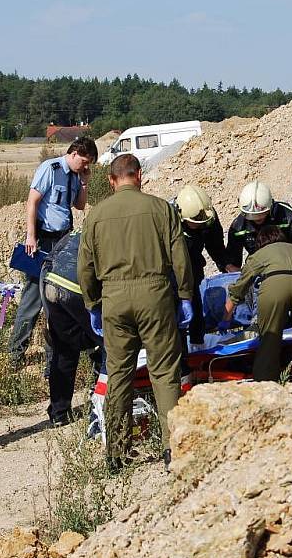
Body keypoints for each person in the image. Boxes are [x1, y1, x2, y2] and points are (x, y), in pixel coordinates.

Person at [78, 153, 194, 471]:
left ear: (113, 181)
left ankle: (117, 453)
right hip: (155, 294)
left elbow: (85, 266)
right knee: (165, 372)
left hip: (114, 299)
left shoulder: (96, 215)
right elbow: (180, 258)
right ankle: (174, 449)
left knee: (118, 374)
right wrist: (184, 295)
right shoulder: (162, 209)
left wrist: (92, 305)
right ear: (139, 176)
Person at [8, 136, 97, 368]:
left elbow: (79, 205)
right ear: (75, 153)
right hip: (43, 239)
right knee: (33, 299)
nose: (85, 166)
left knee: (57, 301)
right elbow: (32, 202)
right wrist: (30, 236)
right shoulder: (51, 168)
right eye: (85, 162)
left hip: (63, 241)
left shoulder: (76, 176)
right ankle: (15, 354)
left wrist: (85, 183)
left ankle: (52, 360)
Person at [223, 226, 292, 388]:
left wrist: (226, 316)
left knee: (270, 339)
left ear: (261, 242)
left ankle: (265, 387)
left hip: (275, 285)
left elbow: (240, 286)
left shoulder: (260, 253)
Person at [40, 229, 104, 428]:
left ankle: (59, 412)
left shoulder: (80, 231)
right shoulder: (111, 232)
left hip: (50, 280)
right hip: (75, 286)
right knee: (108, 344)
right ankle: (101, 404)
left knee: (64, 349)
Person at [173, 184, 229, 347]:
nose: (200, 224)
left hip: (194, 266)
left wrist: (226, 265)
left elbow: (215, 245)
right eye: (195, 222)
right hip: (174, 270)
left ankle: (198, 342)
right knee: (178, 314)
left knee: (196, 306)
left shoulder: (208, 216)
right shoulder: (170, 220)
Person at [225, 180, 292, 270]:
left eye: (261, 214)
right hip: (257, 265)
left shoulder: (287, 216)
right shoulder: (238, 227)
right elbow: (233, 263)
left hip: (287, 263)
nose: (257, 218)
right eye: (252, 216)